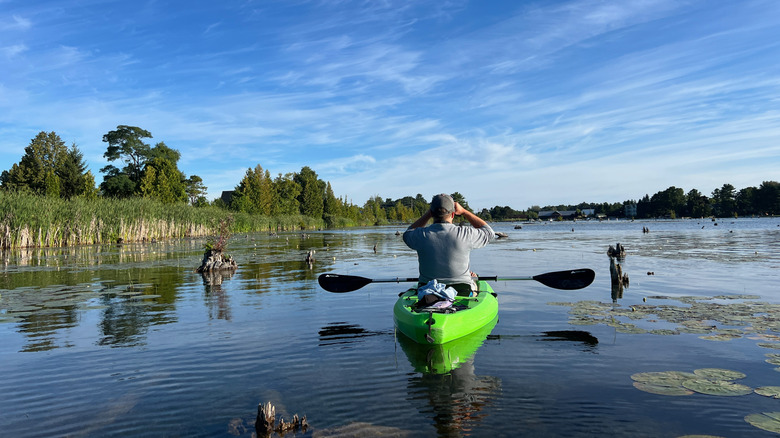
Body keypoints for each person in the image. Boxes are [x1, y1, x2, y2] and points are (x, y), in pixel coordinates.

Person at [403, 193, 494, 296]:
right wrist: (464, 212)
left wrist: (428, 214)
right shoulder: (465, 233)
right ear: (453, 214)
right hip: (461, 292)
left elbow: (408, 233)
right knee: (474, 278)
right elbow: (489, 232)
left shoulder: (421, 234)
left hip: (428, 291)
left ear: (432, 214)